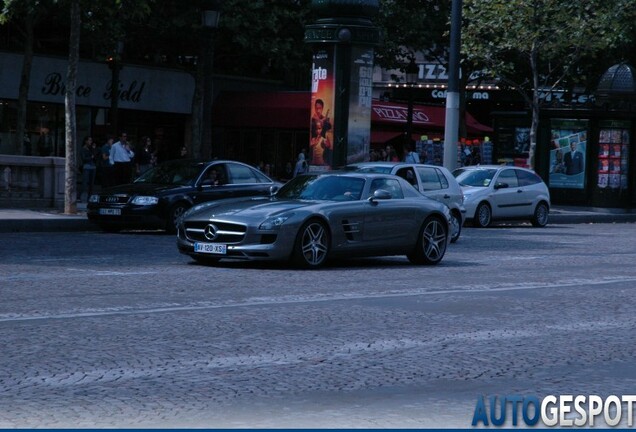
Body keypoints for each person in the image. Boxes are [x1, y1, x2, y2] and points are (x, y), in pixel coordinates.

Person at [78, 136, 97, 202]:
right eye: (89, 140)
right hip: (86, 167)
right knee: (85, 183)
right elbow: (84, 159)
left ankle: (90, 198)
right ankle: (82, 197)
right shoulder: (83, 149)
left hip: (93, 167)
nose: (90, 142)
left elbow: (95, 156)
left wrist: (94, 149)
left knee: (91, 184)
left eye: (91, 140)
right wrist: (91, 157)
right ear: (86, 141)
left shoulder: (91, 149)